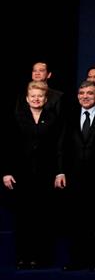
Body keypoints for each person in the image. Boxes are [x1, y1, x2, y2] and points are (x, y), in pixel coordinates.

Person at [56, 80, 95, 271]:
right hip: (74, 175)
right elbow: (61, 146)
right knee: (76, 219)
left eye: (90, 93)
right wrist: (60, 171)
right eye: (81, 93)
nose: (85, 97)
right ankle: (77, 260)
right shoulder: (69, 116)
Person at [3, 81, 61, 269]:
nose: (36, 99)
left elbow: (59, 147)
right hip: (22, 174)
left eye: (40, 96)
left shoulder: (53, 118)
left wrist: (58, 172)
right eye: (33, 96)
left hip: (46, 174)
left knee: (42, 217)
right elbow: (7, 146)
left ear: (46, 99)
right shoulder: (16, 117)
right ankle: (23, 257)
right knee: (23, 217)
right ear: (27, 99)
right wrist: (6, 172)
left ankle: (39, 257)